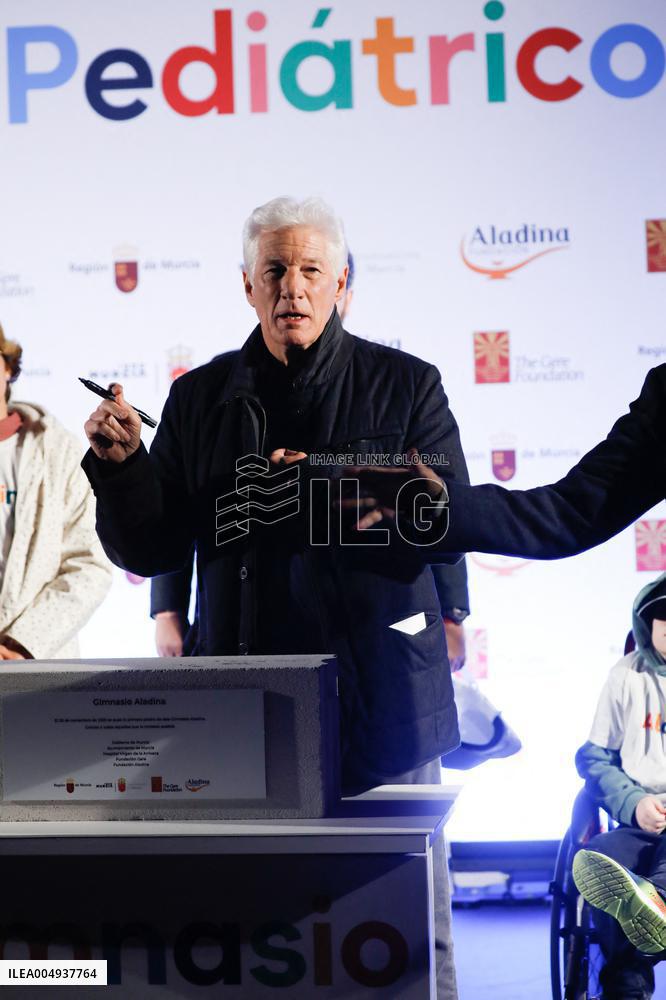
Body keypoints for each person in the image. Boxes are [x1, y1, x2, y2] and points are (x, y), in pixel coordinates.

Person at [81, 195, 471, 1000]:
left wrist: (453, 609)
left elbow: (446, 516)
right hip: (244, 700)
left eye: (310, 270)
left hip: (385, 695)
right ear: (247, 288)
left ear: (343, 286)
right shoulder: (199, 400)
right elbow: (153, 547)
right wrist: (124, 471)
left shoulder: (407, 385)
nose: (292, 287)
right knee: (260, 926)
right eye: (275, 271)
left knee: (403, 929)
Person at [570, 575, 666, 999]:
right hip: (643, 819)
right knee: (601, 857)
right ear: (648, 625)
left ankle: (657, 904)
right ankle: (629, 977)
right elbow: (593, 757)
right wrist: (634, 802)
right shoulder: (627, 674)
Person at [0, 325, 111, 659]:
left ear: (7, 365)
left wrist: (21, 644)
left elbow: (90, 562)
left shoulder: (57, 450)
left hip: (36, 672)